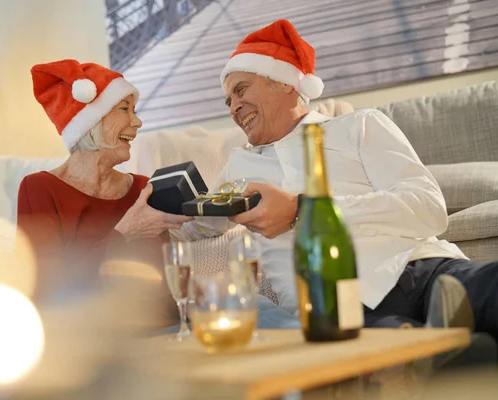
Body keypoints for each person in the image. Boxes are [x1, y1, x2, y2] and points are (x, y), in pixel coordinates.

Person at [174, 19, 498, 342]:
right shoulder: (237, 166)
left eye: (241, 90)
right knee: (391, 359)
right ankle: (454, 347)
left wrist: (300, 210)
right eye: (228, 100)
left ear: (285, 82)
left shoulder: (359, 127)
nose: (234, 106)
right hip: (335, 306)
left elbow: (429, 208)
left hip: (423, 269)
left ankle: (452, 342)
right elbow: (197, 226)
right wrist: (152, 203)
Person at [18, 59, 192, 317]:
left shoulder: (144, 188)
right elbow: (46, 291)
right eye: (125, 109)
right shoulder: (39, 188)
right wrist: (124, 233)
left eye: (135, 110)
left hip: (157, 335)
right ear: (91, 122)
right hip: (85, 343)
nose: (137, 122)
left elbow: (167, 292)